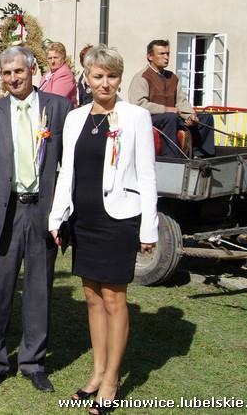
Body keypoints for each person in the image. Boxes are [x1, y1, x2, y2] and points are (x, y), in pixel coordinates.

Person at [48, 45, 158, 414]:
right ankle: (96, 373)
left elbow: (147, 174)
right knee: (92, 297)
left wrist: (149, 227)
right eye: (98, 76)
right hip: (85, 220)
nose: (105, 83)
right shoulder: (76, 117)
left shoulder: (136, 117)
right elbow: (67, 172)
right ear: (88, 78)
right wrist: (56, 216)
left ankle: (111, 380)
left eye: (112, 76)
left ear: (119, 78)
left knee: (114, 298)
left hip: (119, 219)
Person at [0, 45, 72, 393]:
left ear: (32, 72)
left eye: (19, 72)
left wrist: (64, 214)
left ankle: (33, 361)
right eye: (7, 73)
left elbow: (68, 167)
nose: (13, 78)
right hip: (4, 211)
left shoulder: (58, 108)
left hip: (42, 211)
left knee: (38, 291)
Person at [128, 39, 215, 157]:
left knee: (206, 118)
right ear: (150, 56)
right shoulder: (142, 77)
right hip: (150, 119)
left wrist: (190, 115)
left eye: (168, 54)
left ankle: (200, 156)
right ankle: (170, 159)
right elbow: (139, 105)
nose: (166, 57)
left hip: (172, 117)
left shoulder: (172, 77)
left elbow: (181, 101)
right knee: (171, 117)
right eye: (162, 54)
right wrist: (166, 109)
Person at [39, 42, 78, 106]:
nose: (52, 61)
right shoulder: (47, 75)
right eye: (50, 58)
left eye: (56, 57)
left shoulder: (64, 74)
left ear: (63, 58)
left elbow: (55, 100)